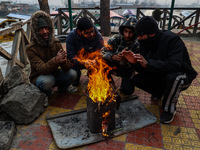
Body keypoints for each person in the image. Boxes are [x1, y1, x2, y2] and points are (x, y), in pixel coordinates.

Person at [122, 16, 197, 123]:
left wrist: (148, 64)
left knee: (174, 78)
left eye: (141, 35)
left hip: (182, 76)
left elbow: (174, 65)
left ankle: (168, 110)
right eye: (137, 35)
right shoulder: (144, 43)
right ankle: (159, 92)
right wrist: (135, 63)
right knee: (136, 79)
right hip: (161, 74)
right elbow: (146, 69)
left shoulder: (172, 40)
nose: (138, 38)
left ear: (152, 34)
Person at [26, 11, 77, 95]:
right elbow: (42, 69)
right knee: (48, 81)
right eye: (41, 29)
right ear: (36, 31)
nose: (45, 31)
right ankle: (45, 94)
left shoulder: (56, 43)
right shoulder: (30, 49)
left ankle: (62, 89)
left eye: (46, 28)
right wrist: (56, 61)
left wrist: (64, 61)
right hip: (40, 77)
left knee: (73, 74)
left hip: (54, 74)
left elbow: (67, 67)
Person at [101, 16, 140, 95]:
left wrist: (127, 60)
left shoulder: (137, 44)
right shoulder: (115, 38)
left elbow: (138, 64)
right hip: (113, 65)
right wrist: (113, 57)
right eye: (126, 31)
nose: (127, 35)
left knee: (127, 91)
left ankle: (125, 82)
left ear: (135, 33)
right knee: (99, 63)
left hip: (127, 70)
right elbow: (102, 52)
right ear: (122, 31)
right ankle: (110, 83)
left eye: (130, 32)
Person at [66, 17, 104, 86]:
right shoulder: (71, 37)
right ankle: (77, 76)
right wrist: (83, 62)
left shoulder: (98, 36)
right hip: (77, 62)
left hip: (92, 62)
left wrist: (95, 61)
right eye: (87, 33)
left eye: (92, 31)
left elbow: (101, 53)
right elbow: (71, 56)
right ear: (79, 31)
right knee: (74, 79)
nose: (91, 34)